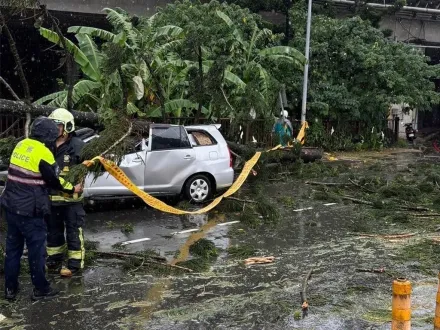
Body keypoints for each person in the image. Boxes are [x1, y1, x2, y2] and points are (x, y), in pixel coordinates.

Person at [1, 117, 82, 301]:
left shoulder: (21, 145)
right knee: (37, 251)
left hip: (11, 207)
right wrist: (72, 188)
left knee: (13, 249)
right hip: (30, 211)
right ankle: (41, 289)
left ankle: (10, 290)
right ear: (48, 136)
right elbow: (54, 180)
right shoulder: (44, 153)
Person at [46, 108, 86, 277]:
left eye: (58, 125)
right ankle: (54, 263)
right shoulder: (46, 144)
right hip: (51, 200)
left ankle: (75, 266)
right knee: (53, 233)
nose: (55, 129)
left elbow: (86, 166)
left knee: (73, 232)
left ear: (67, 127)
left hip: (72, 200)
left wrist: (81, 180)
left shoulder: (78, 146)